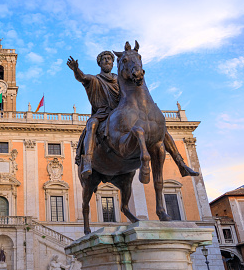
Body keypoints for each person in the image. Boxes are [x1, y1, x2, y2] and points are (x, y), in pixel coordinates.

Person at [67, 52, 199, 179]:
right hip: (104, 113)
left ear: (113, 63)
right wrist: (76, 69)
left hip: (123, 112)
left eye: (109, 58)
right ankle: (88, 160)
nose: (107, 60)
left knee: (159, 128)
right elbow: (82, 78)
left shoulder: (120, 79)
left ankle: (180, 162)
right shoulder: (96, 79)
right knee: (92, 123)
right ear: (99, 63)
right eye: (104, 59)